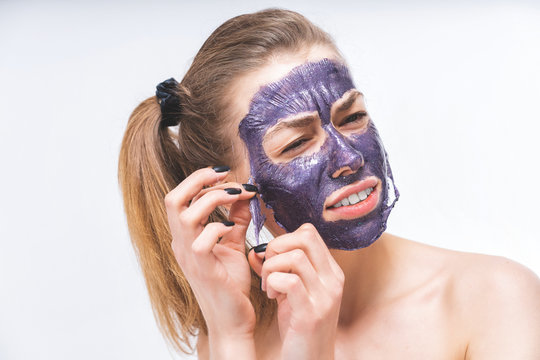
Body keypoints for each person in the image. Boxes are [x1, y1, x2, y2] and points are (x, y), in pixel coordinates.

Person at [118, 8, 540, 359]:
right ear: (227, 188)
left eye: (352, 118)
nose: (350, 158)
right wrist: (228, 336)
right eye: (298, 142)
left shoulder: (494, 300)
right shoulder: (234, 334)